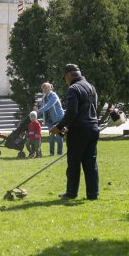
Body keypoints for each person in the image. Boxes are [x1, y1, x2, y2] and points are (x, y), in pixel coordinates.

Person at [49, 64, 99, 200]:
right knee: (90, 163)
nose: (65, 81)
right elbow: (92, 109)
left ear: (69, 76)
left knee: (74, 162)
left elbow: (72, 111)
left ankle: (71, 193)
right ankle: (93, 194)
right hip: (93, 128)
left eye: (65, 78)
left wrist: (59, 127)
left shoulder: (73, 88)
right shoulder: (91, 87)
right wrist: (69, 126)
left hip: (79, 131)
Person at [37, 82, 64, 156]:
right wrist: (37, 112)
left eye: (46, 88)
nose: (44, 89)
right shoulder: (44, 97)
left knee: (59, 136)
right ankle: (51, 153)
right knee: (51, 137)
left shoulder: (54, 95)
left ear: (50, 88)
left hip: (58, 118)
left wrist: (39, 110)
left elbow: (49, 105)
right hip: (49, 121)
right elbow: (43, 106)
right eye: (43, 88)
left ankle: (59, 153)